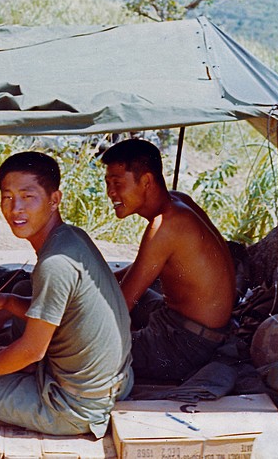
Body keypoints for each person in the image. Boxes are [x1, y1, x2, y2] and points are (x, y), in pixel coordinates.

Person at [0, 151, 132, 437]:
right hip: (117, 381)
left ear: (55, 200)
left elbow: (33, 350)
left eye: (28, 196)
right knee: (21, 291)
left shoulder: (55, 264)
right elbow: (62, 314)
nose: (15, 208)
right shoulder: (72, 236)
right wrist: (5, 301)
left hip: (74, 407)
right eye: (7, 197)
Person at [101, 138, 236, 382]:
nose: (110, 193)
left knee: (79, 347)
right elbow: (143, 269)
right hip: (192, 327)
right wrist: (101, 281)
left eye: (117, 183)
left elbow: (120, 306)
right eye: (108, 183)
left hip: (186, 345)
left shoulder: (165, 226)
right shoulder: (178, 201)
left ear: (146, 181)